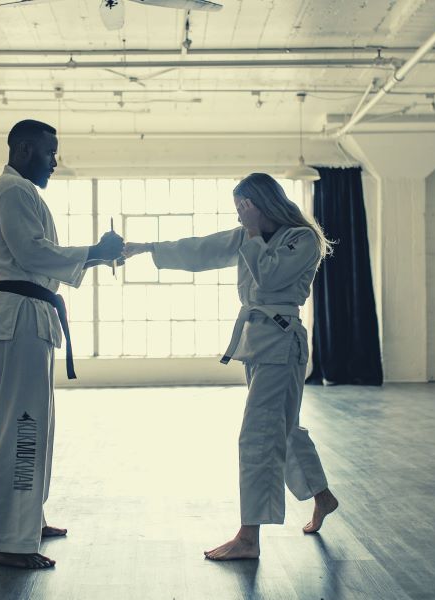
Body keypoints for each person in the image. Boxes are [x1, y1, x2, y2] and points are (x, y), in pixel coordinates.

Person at [123, 173, 338, 561]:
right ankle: (322, 496)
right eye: (237, 207)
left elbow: (270, 276)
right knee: (283, 428)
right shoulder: (245, 237)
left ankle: (249, 536)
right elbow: (199, 251)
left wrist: (254, 233)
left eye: (245, 206)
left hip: (282, 341)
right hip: (257, 343)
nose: (240, 214)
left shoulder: (302, 239)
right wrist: (146, 248)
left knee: (257, 435)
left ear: (264, 202)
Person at [0, 119, 124, 569]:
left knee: (34, 426)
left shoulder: (18, 190)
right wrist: (96, 252)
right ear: (24, 150)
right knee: (22, 428)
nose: (55, 162)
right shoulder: (14, 191)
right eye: (49, 153)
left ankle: (27, 522)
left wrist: (95, 255)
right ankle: (8, 540)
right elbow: (33, 255)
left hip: (27, 315)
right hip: (19, 316)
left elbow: (36, 256)